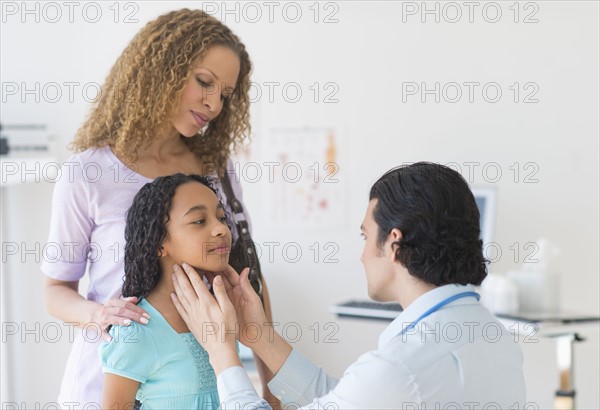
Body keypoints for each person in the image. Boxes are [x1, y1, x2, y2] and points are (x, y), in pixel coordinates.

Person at [42, 8, 278, 407]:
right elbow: (54, 291)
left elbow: (247, 278)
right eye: (204, 82)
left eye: (224, 94)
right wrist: (97, 315)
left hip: (192, 387)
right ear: (162, 72)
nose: (214, 104)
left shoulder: (216, 169)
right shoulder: (88, 173)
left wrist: (273, 390)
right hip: (103, 387)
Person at [172, 162, 527, 409]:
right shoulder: (491, 335)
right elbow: (347, 399)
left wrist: (221, 352)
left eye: (365, 236)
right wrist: (260, 337)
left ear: (394, 243)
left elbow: (374, 390)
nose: (360, 256)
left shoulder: (399, 368)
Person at [101, 173, 233, 408]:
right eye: (199, 221)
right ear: (159, 242)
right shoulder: (137, 332)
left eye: (221, 218)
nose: (220, 229)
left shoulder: (220, 314)